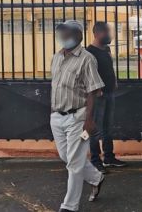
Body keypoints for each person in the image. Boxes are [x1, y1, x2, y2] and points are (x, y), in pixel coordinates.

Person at [50, 20, 105, 212]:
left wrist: (88, 121)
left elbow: (93, 92)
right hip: (57, 117)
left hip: (78, 117)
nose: (65, 37)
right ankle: (96, 178)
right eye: (62, 34)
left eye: (69, 33)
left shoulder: (87, 58)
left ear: (79, 35)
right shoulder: (56, 57)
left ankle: (69, 206)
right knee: (67, 157)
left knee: (74, 163)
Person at [87, 22, 127, 173]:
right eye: (106, 32)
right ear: (97, 34)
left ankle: (109, 158)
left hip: (110, 92)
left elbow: (110, 67)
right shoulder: (89, 52)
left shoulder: (107, 49)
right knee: (95, 130)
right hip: (98, 95)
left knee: (107, 128)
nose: (109, 35)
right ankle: (96, 161)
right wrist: (97, 90)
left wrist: (114, 81)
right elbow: (89, 74)